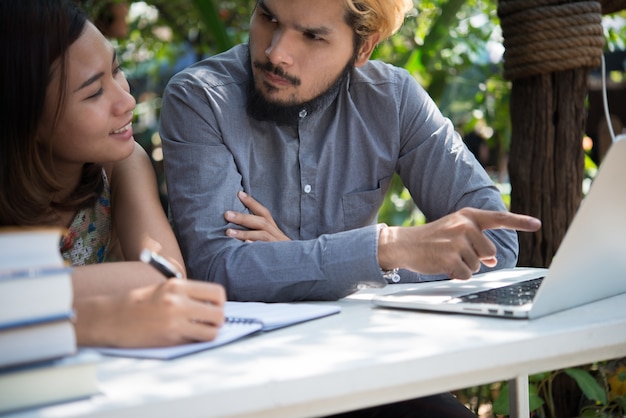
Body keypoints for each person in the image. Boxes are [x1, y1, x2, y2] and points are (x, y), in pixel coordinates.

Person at [160, 0, 540, 416]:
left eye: (312, 36)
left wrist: (303, 258)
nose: (275, 52)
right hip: (242, 382)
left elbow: (495, 243)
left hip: (359, 366)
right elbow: (217, 268)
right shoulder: (201, 99)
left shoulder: (392, 99)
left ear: (364, 48)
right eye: (268, 17)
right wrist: (380, 250)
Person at [0, 0, 225, 348]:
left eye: (116, 70)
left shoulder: (121, 164)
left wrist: (20, 293)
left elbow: (165, 275)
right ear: (25, 120)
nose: (127, 101)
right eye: (93, 93)